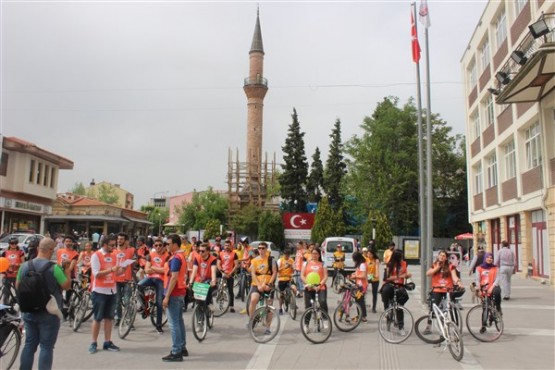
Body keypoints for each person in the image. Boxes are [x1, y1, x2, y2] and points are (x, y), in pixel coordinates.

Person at [17, 238, 71, 370]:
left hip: (29, 310)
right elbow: (66, 286)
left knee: (29, 345)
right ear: (51, 250)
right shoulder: (54, 268)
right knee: (46, 347)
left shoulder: (25, 266)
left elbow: (18, 286)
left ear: (38, 249)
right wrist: (67, 270)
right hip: (49, 312)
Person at [89, 234, 124, 354]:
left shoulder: (114, 255)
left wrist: (122, 269)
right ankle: (93, 342)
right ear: (104, 245)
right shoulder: (96, 255)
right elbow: (96, 273)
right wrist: (111, 270)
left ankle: (107, 342)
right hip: (99, 291)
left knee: (109, 318)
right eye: (112, 245)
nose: (114, 247)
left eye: (114, 245)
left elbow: (117, 273)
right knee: (98, 318)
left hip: (112, 290)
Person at [162, 234, 189, 362]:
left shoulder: (176, 258)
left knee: (173, 323)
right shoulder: (180, 256)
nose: (166, 246)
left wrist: (166, 296)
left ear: (175, 245)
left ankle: (176, 351)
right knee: (179, 321)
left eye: (168, 244)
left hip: (174, 293)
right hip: (180, 292)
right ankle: (182, 347)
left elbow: (173, 277)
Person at [138, 238, 168, 334]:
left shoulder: (167, 256)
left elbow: (165, 270)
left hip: (161, 280)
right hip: (150, 278)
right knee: (138, 286)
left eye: (160, 245)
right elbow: (146, 269)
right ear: (154, 246)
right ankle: (145, 307)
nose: (158, 247)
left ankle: (158, 326)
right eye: (156, 245)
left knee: (159, 303)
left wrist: (153, 268)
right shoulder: (151, 255)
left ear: (163, 246)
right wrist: (158, 269)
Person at [381, 250, 411, 331]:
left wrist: (408, 276)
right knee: (385, 291)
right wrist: (400, 276)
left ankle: (401, 326)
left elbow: (406, 274)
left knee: (400, 305)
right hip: (390, 284)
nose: (401, 259)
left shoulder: (404, 263)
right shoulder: (390, 264)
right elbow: (387, 278)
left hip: (400, 285)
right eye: (400, 257)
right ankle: (386, 310)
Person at [248, 242, 277, 324]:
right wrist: (258, 285)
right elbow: (253, 273)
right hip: (257, 284)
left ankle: (268, 326)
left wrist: (270, 284)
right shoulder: (254, 260)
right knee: (253, 300)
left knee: (269, 305)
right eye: (259, 248)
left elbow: (274, 272)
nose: (261, 250)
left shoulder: (271, 260)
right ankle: (251, 320)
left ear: (266, 249)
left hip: (268, 285)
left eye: (263, 248)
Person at [114, 232, 135, 325]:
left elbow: (135, 261)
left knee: (127, 301)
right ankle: (118, 318)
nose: (119, 241)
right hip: (116, 280)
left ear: (125, 241)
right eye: (118, 239)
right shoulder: (113, 251)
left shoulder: (131, 250)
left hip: (127, 280)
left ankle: (128, 320)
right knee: (117, 301)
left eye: (121, 239)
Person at [475, 252, 502, 322]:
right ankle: (483, 325)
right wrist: (479, 289)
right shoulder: (479, 268)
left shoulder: (495, 268)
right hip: (483, 288)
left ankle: (498, 308)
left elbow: (498, 279)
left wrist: (492, 287)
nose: (489, 259)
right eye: (488, 257)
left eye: (491, 258)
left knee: (497, 292)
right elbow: (477, 280)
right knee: (485, 307)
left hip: (492, 287)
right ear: (485, 258)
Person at [300, 246, 328, 313]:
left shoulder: (323, 264)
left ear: (319, 255)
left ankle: (324, 318)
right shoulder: (305, 263)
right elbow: (302, 275)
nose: (314, 255)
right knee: (308, 306)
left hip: (320, 287)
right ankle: (306, 323)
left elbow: (325, 276)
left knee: (322, 301)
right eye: (313, 253)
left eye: (316, 253)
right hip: (309, 287)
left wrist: (319, 286)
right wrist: (308, 284)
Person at [1, 236, 25, 304]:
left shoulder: (20, 252)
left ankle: (19, 308)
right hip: (7, 275)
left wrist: (17, 265)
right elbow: (1, 262)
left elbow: (23, 264)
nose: (14, 245)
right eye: (12, 243)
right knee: (6, 294)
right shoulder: (5, 252)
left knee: (18, 293)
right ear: (9, 243)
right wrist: (3, 272)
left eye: (15, 243)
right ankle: (5, 309)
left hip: (17, 275)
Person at [217, 240, 239, 313]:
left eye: (228, 245)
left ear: (231, 246)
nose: (227, 247)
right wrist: (221, 272)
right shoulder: (220, 253)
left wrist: (230, 273)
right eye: (225, 245)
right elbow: (218, 264)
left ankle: (231, 306)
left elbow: (236, 265)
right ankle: (218, 297)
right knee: (218, 286)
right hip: (222, 272)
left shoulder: (234, 254)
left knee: (230, 290)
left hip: (230, 273)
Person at [276, 248, 297, 315]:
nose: (287, 256)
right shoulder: (280, 260)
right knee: (281, 295)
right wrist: (284, 267)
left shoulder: (291, 260)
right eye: (286, 255)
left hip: (290, 278)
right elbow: (276, 270)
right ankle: (280, 308)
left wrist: (291, 266)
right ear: (283, 254)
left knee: (294, 289)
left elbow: (294, 270)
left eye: (288, 255)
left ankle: (293, 302)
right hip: (282, 279)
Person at [350, 252, 368, 322]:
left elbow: (363, 276)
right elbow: (358, 273)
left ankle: (363, 316)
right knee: (358, 300)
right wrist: (353, 274)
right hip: (359, 284)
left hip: (362, 285)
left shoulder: (362, 265)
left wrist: (355, 276)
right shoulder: (360, 265)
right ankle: (360, 315)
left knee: (360, 301)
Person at [365, 248, 380, 313]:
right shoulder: (365, 260)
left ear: (373, 254)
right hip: (367, 278)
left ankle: (374, 308)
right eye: (368, 254)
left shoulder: (376, 260)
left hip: (374, 278)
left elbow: (377, 269)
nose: (369, 255)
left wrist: (376, 274)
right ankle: (363, 306)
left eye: (370, 254)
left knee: (374, 294)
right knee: (363, 292)